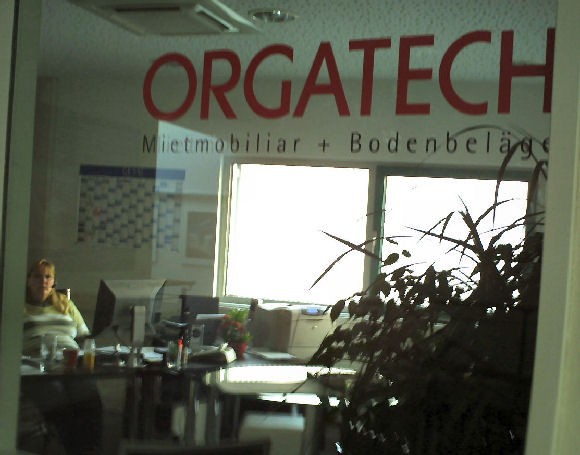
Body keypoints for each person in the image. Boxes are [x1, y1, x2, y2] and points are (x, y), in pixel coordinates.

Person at [20, 258, 102, 455]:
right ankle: (76, 450)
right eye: (38, 276)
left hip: (69, 361)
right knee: (56, 396)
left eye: (48, 277)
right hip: (37, 364)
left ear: (54, 281)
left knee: (89, 394)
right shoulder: (18, 305)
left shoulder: (65, 303)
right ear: (28, 280)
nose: (43, 281)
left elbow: (84, 336)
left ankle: (90, 449)